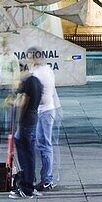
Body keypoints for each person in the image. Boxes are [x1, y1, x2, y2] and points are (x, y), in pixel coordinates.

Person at [10, 48, 42, 199]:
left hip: (25, 122)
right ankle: (30, 183)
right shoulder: (36, 81)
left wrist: (18, 118)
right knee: (29, 154)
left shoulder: (27, 82)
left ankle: (26, 187)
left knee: (24, 156)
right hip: (33, 119)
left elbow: (23, 103)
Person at [32, 53, 59, 193]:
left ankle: (47, 179)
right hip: (48, 110)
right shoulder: (48, 69)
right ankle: (45, 178)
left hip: (44, 111)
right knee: (43, 144)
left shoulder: (38, 73)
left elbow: (37, 95)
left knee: (44, 144)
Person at [0, 39, 21, 137]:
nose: (6, 48)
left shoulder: (13, 58)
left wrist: (15, 86)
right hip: (0, 86)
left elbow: (16, 72)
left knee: (11, 110)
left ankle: (12, 131)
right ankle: (0, 130)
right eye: (4, 46)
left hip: (9, 87)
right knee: (0, 109)